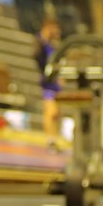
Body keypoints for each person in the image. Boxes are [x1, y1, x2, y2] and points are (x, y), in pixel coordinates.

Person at [36, 16, 63, 153]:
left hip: (55, 84)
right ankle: (50, 140)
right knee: (50, 112)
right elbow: (39, 57)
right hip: (48, 84)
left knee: (57, 114)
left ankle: (54, 139)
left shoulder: (52, 45)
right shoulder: (41, 43)